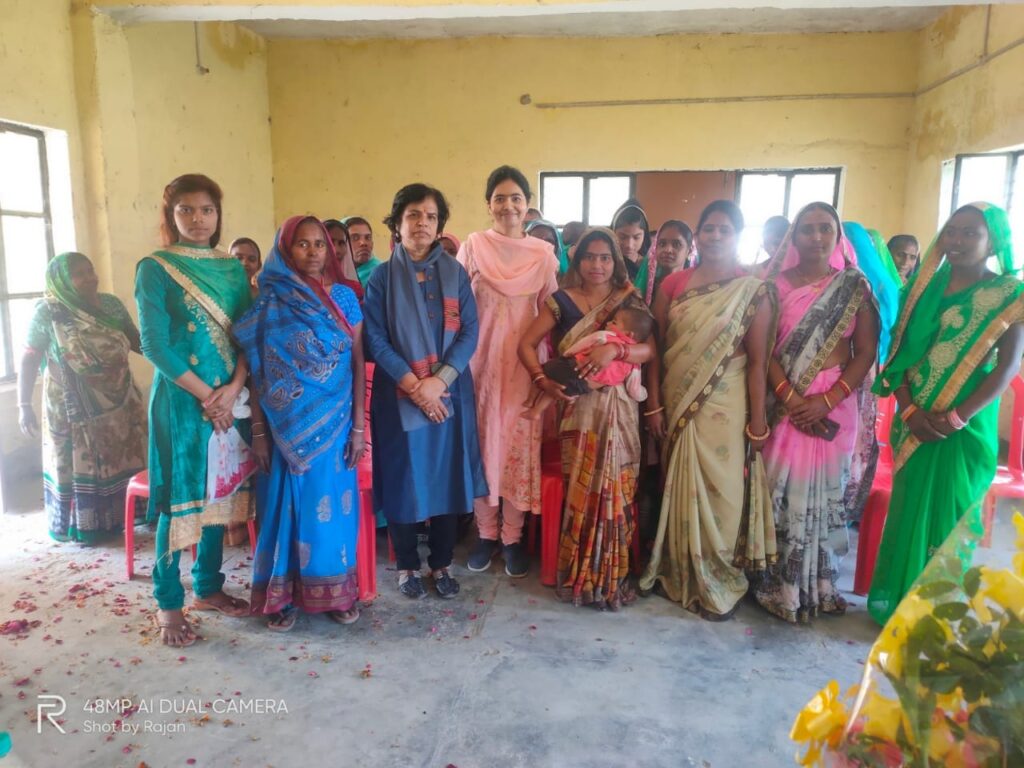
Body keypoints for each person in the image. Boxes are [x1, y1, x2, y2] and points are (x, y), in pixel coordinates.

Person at [868, 203, 1024, 624]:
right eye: (951, 231)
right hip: (914, 420)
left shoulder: (1009, 295)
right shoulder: (922, 291)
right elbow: (898, 354)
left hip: (966, 425)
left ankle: (935, 612)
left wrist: (957, 417)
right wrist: (908, 409)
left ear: (994, 241)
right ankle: (898, 603)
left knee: (951, 513)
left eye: (970, 233)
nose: (956, 241)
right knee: (908, 510)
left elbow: (1008, 367)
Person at [639, 201, 777, 620]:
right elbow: (656, 349)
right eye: (709, 229)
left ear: (738, 236)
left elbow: (758, 362)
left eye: (725, 229)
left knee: (724, 492)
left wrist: (758, 422)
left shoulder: (752, 289)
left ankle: (718, 576)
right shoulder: (674, 284)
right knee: (677, 485)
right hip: (678, 399)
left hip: (728, 404)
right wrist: (654, 404)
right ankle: (679, 571)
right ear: (697, 236)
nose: (715, 236)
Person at [135, 174, 254, 647]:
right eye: (186, 210)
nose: (198, 219)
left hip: (231, 399)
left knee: (219, 494)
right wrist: (209, 396)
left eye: (207, 210)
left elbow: (248, 335)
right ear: (171, 215)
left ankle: (207, 587)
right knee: (179, 498)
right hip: (182, 402)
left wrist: (234, 389)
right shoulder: (155, 267)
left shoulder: (231, 269)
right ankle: (168, 601)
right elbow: (154, 345)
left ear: (218, 214)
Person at [235, 215, 365, 632]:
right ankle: (282, 597)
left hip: (336, 426)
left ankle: (336, 593)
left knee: (330, 513)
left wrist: (359, 429)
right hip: (281, 429)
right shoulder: (268, 300)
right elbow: (257, 372)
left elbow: (358, 362)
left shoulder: (344, 297)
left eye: (319, 244)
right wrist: (258, 432)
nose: (312, 252)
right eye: (302, 244)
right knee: (282, 511)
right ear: (285, 249)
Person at [755, 202, 879, 623]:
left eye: (825, 228)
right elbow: (764, 349)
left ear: (838, 235)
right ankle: (779, 585)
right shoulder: (774, 284)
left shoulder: (854, 287)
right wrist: (791, 399)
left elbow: (865, 351)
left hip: (835, 405)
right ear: (793, 237)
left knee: (827, 496)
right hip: (784, 406)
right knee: (780, 493)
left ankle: (822, 585)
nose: (816, 237)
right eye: (807, 229)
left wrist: (826, 400)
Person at [519, 227, 655, 610]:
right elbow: (525, 344)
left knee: (618, 489)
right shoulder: (561, 302)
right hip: (578, 411)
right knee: (583, 489)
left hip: (620, 409)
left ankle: (613, 575)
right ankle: (580, 574)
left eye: (605, 257)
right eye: (589, 257)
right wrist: (542, 381)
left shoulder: (628, 299)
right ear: (577, 261)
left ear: (616, 262)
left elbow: (648, 350)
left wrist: (615, 352)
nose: (597, 265)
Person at [363, 183, 487, 599]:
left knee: (447, 477)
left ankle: (441, 563)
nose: (422, 223)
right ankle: (406, 566)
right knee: (404, 479)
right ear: (397, 224)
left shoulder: (456, 273)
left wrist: (439, 382)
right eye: (413, 215)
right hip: (399, 396)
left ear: (439, 225)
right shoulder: (381, 277)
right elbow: (375, 338)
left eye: (431, 216)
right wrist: (416, 387)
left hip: (449, 393)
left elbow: (470, 331)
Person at [457, 166, 559, 577]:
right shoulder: (473, 247)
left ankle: (512, 538)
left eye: (516, 197)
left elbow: (552, 312)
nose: (508, 205)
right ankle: (485, 534)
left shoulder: (542, 255)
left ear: (527, 203)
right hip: (478, 365)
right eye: (499, 198)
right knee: (482, 448)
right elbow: (456, 307)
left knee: (518, 449)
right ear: (489, 204)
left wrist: (546, 372)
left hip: (524, 367)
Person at [17, 252, 147, 544]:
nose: (90, 278)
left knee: (123, 455)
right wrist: (23, 405)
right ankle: (86, 526)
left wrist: (171, 362)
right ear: (62, 281)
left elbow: (135, 339)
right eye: (79, 274)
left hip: (121, 398)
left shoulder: (111, 304)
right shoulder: (49, 313)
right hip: (71, 403)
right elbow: (29, 358)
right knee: (79, 459)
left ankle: (124, 516)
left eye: (91, 270)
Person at [521, 304, 652, 420]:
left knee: (546, 371)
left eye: (614, 322)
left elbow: (584, 343)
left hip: (575, 370)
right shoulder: (635, 362)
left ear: (629, 334)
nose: (608, 323)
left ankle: (532, 402)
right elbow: (634, 388)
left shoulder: (606, 336)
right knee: (557, 387)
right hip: (586, 387)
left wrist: (568, 354)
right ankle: (538, 410)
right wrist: (644, 395)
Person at [637, 219, 695, 305]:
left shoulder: (693, 287)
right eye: (662, 244)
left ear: (689, 251)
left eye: (676, 244)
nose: (668, 250)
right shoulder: (648, 286)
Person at [611, 199, 652, 283]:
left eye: (636, 237)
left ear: (644, 236)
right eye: (622, 237)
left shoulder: (650, 266)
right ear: (613, 233)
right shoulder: (606, 263)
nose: (629, 245)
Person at [322, 219, 364, 300]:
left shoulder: (354, 288)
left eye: (341, 243)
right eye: (330, 242)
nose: (336, 250)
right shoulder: (304, 286)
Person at [344, 216, 382, 288]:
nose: (363, 243)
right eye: (355, 238)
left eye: (368, 238)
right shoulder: (330, 275)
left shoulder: (382, 274)